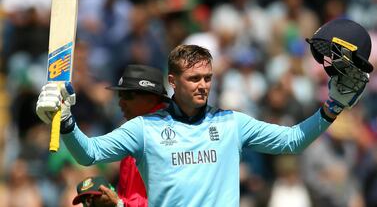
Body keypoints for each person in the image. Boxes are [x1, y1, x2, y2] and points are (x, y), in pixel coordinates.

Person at [36, 22, 371, 206]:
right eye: (194, 78)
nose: (203, 86)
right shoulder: (144, 129)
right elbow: (88, 153)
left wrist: (331, 108)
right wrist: (65, 121)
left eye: (208, 78)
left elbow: (293, 141)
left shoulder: (232, 123)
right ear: (172, 82)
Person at [72, 64, 170, 207]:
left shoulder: (166, 136)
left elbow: (167, 200)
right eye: (120, 95)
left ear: (152, 98)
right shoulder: (134, 131)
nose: (120, 102)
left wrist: (119, 203)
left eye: (128, 95)